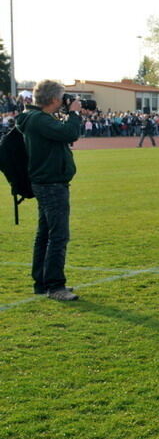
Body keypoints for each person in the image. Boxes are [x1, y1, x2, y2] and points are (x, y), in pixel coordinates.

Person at [15, 80, 83, 301]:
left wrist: (66, 114)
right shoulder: (39, 120)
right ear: (54, 99)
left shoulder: (34, 118)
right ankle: (55, 285)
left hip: (46, 182)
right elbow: (70, 133)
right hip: (51, 184)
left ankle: (42, 282)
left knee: (44, 234)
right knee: (58, 235)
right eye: (62, 97)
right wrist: (74, 114)